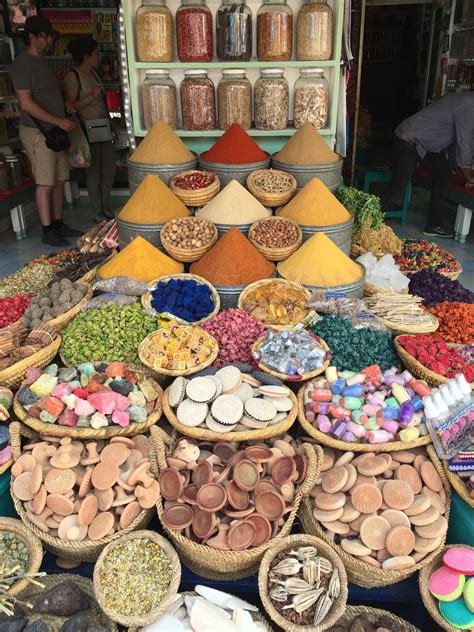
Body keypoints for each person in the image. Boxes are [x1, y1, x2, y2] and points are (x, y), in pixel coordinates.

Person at [11, 16, 82, 247]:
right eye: (46, 36)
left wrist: (66, 109)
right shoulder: (22, 64)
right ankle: (47, 229)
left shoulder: (42, 62)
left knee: (61, 179)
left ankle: (59, 222)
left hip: (55, 131)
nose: (50, 41)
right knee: (45, 183)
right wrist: (58, 121)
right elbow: (26, 104)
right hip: (38, 132)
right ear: (32, 36)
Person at [381, 90, 474, 238]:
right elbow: (465, 142)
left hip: (427, 144)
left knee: (444, 175)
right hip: (410, 139)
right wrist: (469, 176)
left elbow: (456, 139)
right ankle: (369, 220)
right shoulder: (468, 106)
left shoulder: (465, 100)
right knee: (398, 184)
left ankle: (433, 225)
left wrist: (453, 164)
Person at [63, 37, 116, 224]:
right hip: (87, 129)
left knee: (109, 170)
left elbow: (102, 103)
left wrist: (112, 124)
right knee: (94, 173)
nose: (99, 57)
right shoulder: (73, 76)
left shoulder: (94, 73)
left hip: (102, 127)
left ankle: (105, 205)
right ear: (86, 56)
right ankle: (97, 210)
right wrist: (90, 96)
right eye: (95, 54)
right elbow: (70, 106)